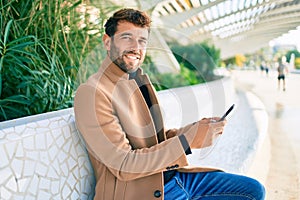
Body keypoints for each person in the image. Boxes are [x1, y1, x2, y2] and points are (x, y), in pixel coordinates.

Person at [74, 8, 265, 200]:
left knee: (253, 191)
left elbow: (155, 141)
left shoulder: (138, 81)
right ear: (107, 42)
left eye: (142, 41)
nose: (135, 47)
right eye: (127, 38)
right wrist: (187, 142)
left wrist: (195, 130)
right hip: (145, 192)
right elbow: (123, 165)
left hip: (176, 177)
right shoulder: (92, 93)